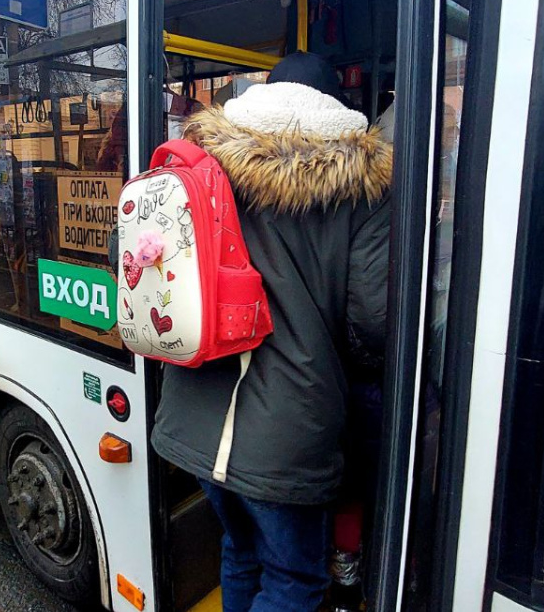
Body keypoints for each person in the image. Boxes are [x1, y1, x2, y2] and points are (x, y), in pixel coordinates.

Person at [150, 53, 393, 612]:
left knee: (240, 550)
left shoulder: (201, 164)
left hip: (195, 414)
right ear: (339, 108)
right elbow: (373, 325)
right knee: (295, 579)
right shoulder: (366, 187)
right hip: (290, 436)